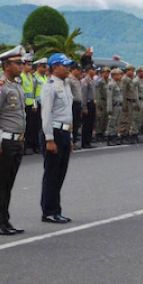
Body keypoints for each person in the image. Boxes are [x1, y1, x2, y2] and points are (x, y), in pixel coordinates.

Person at [0, 46, 26, 235]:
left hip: (16, 141)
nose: (22, 66)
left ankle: (4, 219)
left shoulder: (16, 85)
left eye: (22, 62)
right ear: (6, 65)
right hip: (4, 141)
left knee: (8, 183)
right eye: (18, 63)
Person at [40, 53, 75, 224]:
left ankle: (56, 209)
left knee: (60, 174)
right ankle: (48, 211)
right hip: (54, 132)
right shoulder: (50, 86)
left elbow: (68, 114)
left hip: (64, 132)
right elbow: (46, 115)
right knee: (52, 174)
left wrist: (71, 137)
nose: (68, 68)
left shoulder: (66, 85)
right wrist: (49, 139)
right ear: (55, 67)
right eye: (65, 65)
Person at [118, 65, 137, 144]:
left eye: (133, 71)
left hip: (130, 101)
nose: (132, 72)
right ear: (128, 71)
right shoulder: (125, 79)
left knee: (129, 119)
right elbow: (123, 92)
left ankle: (126, 134)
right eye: (131, 70)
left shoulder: (129, 79)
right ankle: (123, 136)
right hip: (126, 101)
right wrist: (124, 104)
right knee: (124, 119)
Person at [67, 64, 83, 150]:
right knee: (72, 122)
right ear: (74, 70)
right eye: (78, 70)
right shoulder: (69, 79)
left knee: (77, 123)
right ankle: (71, 141)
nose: (80, 72)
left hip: (78, 103)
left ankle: (75, 141)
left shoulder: (77, 79)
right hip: (72, 103)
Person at [106, 68, 123, 146]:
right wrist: (109, 109)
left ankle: (115, 136)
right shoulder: (111, 84)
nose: (120, 76)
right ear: (114, 75)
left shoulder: (117, 83)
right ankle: (110, 138)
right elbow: (109, 97)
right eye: (119, 74)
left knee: (117, 122)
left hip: (119, 106)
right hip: (114, 106)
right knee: (112, 122)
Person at [81, 64, 97, 148]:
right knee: (86, 124)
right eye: (93, 69)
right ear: (89, 70)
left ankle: (89, 141)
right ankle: (84, 142)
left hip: (92, 103)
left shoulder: (92, 80)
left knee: (91, 123)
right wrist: (84, 107)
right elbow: (84, 95)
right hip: (88, 103)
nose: (94, 71)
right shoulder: (85, 81)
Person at [95, 67, 111, 143]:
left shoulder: (109, 81)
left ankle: (103, 133)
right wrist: (98, 104)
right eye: (105, 72)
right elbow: (97, 93)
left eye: (108, 72)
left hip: (107, 102)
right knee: (100, 118)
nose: (106, 74)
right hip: (101, 101)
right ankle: (98, 134)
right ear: (102, 73)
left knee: (106, 118)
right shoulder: (100, 82)